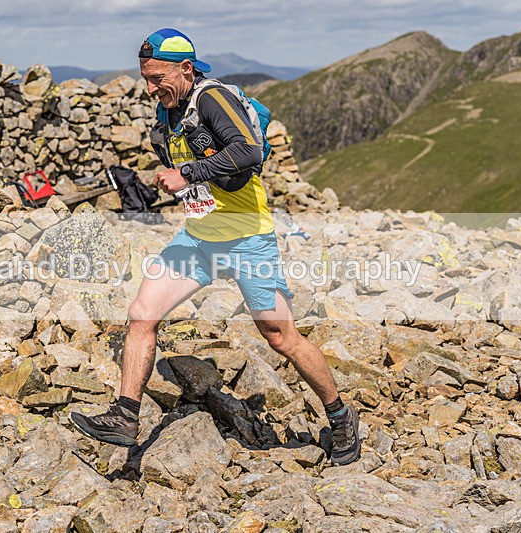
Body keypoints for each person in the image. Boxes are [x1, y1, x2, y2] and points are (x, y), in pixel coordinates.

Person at [71, 28, 362, 466]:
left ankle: (340, 418)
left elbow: (248, 152)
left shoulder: (213, 97)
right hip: (199, 238)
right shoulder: (168, 111)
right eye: (145, 78)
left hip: (247, 238)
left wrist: (186, 174)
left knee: (280, 337)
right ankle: (124, 416)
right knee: (141, 313)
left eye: (157, 78)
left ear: (186, 68)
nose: (150, 88)